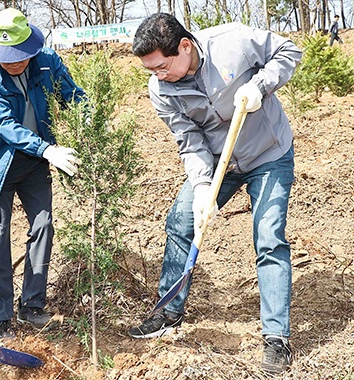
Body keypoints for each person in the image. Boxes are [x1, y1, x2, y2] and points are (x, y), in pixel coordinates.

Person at [128, 13, 302, 375]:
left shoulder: (232, 42)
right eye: (151, 70)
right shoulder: (160, 88)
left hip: (268, 152)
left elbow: (288, 51)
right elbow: (189, 141)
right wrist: (204, 187)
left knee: (269, 237)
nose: (158, 75)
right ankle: (169, 311)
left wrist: (260, 85)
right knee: (181, 220)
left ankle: (276, 338)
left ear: (184, 47)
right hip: (218, 162)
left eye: (161, 66)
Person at [0, 8, 85, 344]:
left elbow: (74, 96)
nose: (14, 63)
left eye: (20, 55)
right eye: (7, 58)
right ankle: (0, 317)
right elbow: (4, 125)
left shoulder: (47, 62)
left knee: (43, 226)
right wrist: (47, 149)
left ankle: (32, 305)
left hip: (35, 166)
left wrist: (90, 120)